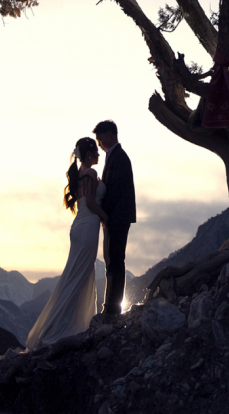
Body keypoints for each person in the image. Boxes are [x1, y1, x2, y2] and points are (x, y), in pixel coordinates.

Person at [26, 136, 108, 349]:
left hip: (79, 226)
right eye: (96, 152)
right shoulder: (90, 173)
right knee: (79, 275)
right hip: (88, 225)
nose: (99, 155)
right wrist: (106, 218)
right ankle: (62, 329)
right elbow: (90, 202)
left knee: (75, 274)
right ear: (89, 154)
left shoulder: (79, 175)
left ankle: (65, 324)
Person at [93, 120, 136, 317]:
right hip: (114, 217)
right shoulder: (114, 157)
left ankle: (112, 308)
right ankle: (110, 306)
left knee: (116, 261)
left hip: (117, 217)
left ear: (110, 135)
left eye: (100, 139)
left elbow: (116, 190)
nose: (99, 144)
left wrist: (104, 213)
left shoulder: (119, 158)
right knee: (112, 261)